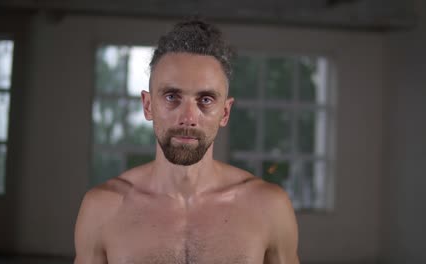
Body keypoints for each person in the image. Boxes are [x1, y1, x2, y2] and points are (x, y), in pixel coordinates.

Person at [74, 19, 299, 264]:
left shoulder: (269, 207)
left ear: (225, 113)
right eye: (172, 97)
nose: (188, 118)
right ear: (148, 106)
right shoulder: (102, 209)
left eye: (205, 100)